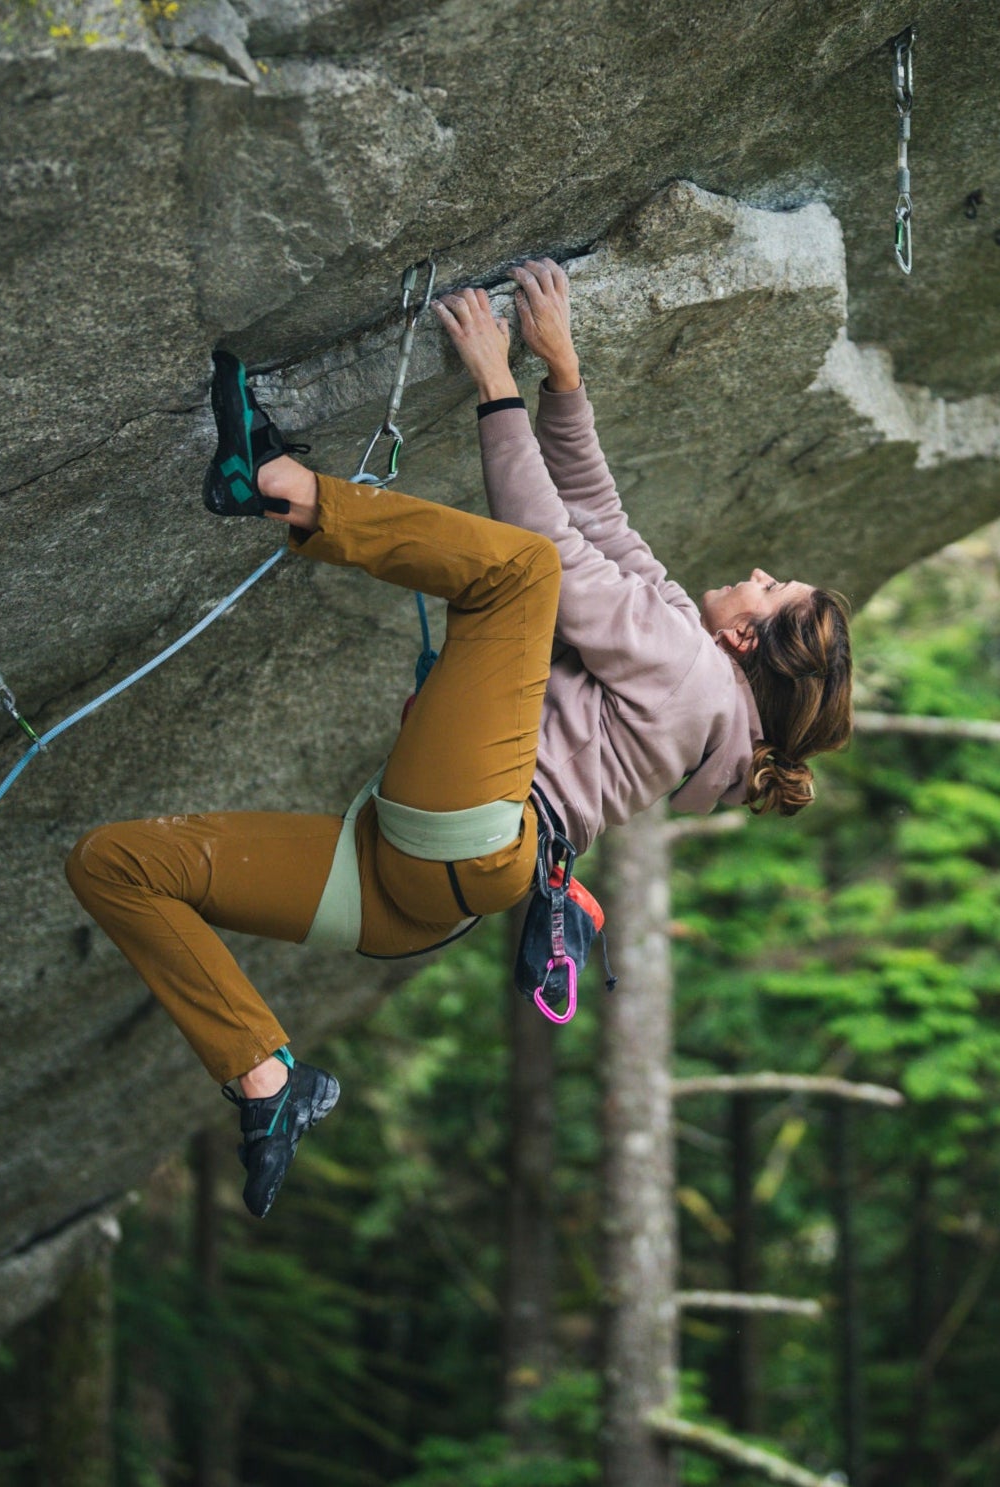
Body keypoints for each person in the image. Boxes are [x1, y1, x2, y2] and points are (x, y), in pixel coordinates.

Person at [66, 259, 853, 1217]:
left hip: (476, 833)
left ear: (746, 641)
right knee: (116, 864)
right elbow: (601, 519)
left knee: (519, 571)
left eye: (774, 592)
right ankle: (264, 1080)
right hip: (420, 894)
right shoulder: (686, 652)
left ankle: (273, 483)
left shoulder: (688, 672)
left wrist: (495, 382)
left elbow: (551, 549)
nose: (762, 572)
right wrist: (562, 377)